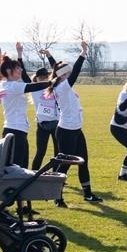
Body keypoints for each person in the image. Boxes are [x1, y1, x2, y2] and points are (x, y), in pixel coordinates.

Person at [43, 42, 102, 205]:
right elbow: (73, 72)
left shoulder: (62, 84)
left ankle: (88, 194)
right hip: (66, 131)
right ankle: (57, 197)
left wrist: (49, 56)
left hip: (76, 129)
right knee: (65, 165)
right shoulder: (61, 87)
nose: (71, 74)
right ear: (63, 75)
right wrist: (83, 53)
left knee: (83, 161)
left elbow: (57, 68)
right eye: (67, 73)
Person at [0, 44, 56, 169]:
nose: (21, 70)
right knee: (17, 169)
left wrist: (0, 63)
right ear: (8, 71)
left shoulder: (4, 84)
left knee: (18, 168)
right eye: (18, 69)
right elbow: (33, 86)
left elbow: (2, 76)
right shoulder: (13, 87)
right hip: (16, 131)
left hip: (16, 130)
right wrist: (53, 82)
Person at [27, 64, 60, 172]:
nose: (43, 79)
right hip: (42, 125)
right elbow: (23, 76)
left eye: (46, 76)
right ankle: (33, 174)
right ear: (36, 78)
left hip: (56, 123)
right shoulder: (34, 89)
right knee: (40, 152)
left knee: (58, 152)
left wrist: (50, 56)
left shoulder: (54, 87)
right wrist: (19, 56)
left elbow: (59, 72)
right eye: (41, 77)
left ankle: (56, 175)